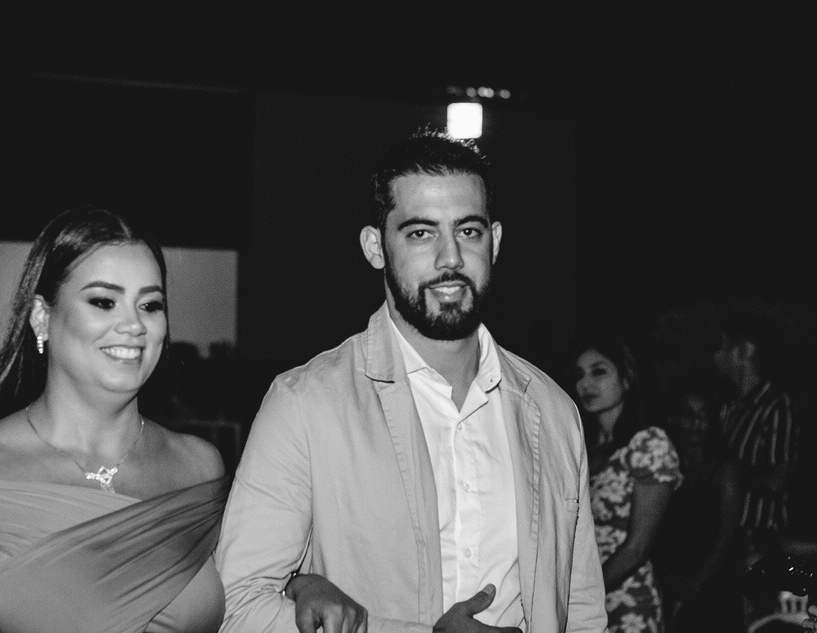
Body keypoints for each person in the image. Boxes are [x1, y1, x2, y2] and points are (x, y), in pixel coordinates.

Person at [215, 125, 607, 633]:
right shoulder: (305, 403)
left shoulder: (553, 411)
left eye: (468, 231)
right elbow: (237, 606)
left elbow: (582, 612)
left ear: (495, 241)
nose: (451, 258)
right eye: (421, 233)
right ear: (375, 247)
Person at [0, 205, 229, 633]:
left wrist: (299, 586)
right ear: (42, 317)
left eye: (150, 304)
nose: (134, 325)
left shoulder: (199, 467)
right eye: (104, 302)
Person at [564, 335, 682, 633]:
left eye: (598, 372)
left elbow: (637, 548)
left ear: (626, 379)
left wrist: (579, 598)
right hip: (580, 597)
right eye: (579, 375)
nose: (585, 384)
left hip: (626, 599)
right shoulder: (580, 447)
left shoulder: (648, 444)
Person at [712, 311, 802, 627]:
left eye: (720, 346)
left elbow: (777, 481)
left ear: (743, 352)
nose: (714, 356)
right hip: (726, 543)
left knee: (758, 624)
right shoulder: (732, 408)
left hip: (757, 545)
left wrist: (728, 474)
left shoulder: (776, 407)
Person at [651, 373, 745, 633]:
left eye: (703, 414)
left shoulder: (725, 471)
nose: (695, 422)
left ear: (713, 419)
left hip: (712, 586)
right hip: (666, 583)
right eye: (687, 414)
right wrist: (669, 580)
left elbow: (726, 540)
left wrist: (693, 584)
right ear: (673, 418)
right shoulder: (659, 469)